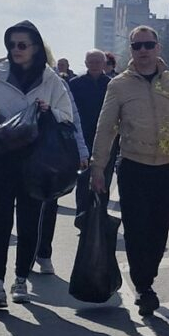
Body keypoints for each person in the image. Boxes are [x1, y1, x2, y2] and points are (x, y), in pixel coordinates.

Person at [91, 25, 169, 317]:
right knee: (136, 229)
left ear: (158, 48)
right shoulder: (119, 85)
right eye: (137, 46)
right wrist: (97, 167)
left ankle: (148, 277)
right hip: (133, 167)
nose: (143, 50)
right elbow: (106, 128)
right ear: (131, 50)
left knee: (158, 231)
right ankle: (144, 288)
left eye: (148, 45)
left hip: (166, 169)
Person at [0, 21, 74, 308]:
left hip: (35, 158)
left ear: (36, 47)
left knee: (29, 221)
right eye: (12, 44)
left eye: (22, 45)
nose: (16, 49)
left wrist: (49, 111)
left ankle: (21, 279)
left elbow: (67, 115)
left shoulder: (50, 79)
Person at [35, 76, 88, 275]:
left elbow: (72, 118)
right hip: (19, 152)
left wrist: (81, 151)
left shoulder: (57, 83)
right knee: (26, 208)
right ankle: (26, 256)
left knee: (49, 203)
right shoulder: (9, 79)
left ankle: (44, 253)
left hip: (51, 152)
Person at [69, 49, 112, 216]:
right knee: (83, 179)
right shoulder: (75, 84)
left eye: (98, 62)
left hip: (105, 138)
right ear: (86, 63)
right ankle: (82, 215)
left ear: (104, 64)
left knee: (104, 178)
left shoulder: (111, 85)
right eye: (91, 62)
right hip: (82, 137)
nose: (94, 65)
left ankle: (100, 216)